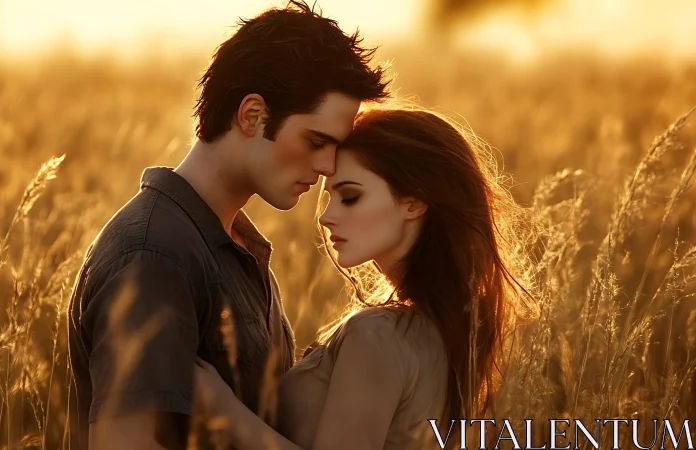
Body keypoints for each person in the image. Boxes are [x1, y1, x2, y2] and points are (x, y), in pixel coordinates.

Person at [66, 2, 389, 449]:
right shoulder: (154, 255)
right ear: (252, 115)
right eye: (316, 141)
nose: (327, 166)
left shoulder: (232, 243)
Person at [195, 108, 537, 449]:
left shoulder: (375, 333)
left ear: (414, 203)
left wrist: (224, 409)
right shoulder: (449, 331)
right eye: (329, 198)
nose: (326, 217)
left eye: (351, 197)